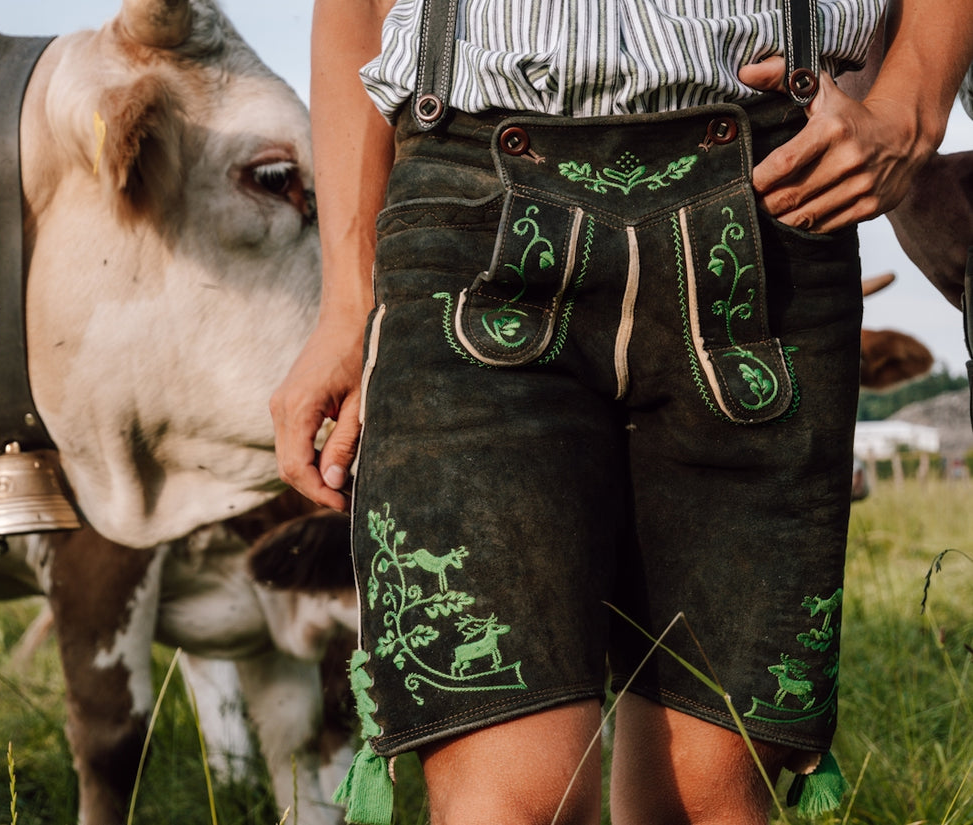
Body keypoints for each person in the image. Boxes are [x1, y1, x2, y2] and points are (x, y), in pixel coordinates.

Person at [270, 1, 973, 823]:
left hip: (772, 202)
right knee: (509, 797)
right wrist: (347, 299)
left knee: (710, 789)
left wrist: (915, 99)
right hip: (468, 206)